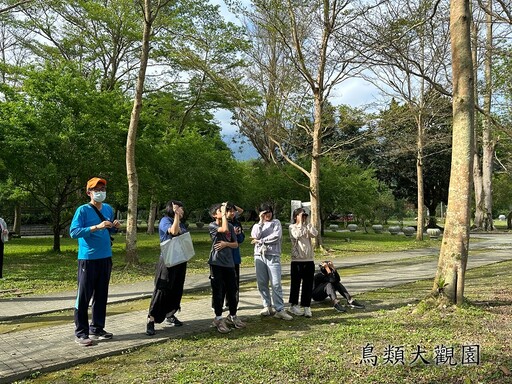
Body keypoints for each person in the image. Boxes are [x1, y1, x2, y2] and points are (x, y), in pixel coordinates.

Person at [69, 177, 120, 346]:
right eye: (96, 190)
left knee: (101, 295)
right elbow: (74, 232)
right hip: (88, 259)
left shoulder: (108, 208)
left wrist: (114, 226)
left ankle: (97, 327)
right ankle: (81, 332)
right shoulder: (82, 210)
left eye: (103, 189)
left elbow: (109, 229)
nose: (100, 192)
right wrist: (96, 227)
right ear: (89, 192)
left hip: (105, 257)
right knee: (83, 296)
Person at [146, 200, 189, 336]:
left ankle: (170, 314)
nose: (182, 211)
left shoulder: (182, 223)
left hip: (180, 260)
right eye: (180, 209)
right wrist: (176, 216)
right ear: (174, 209)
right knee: (162, 288)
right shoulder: (165, 220)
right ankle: (151, 319)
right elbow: (174, 232)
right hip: (168, 260)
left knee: (176, 287)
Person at [250, 203, 293, 320]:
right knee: (262, 283)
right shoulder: (256, 225)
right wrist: (260, 222)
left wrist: (261, 240)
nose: (267, 214)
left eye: (269, 211)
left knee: (276, 283)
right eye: (264, 212)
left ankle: (280, 309)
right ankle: (266, 305)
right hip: (259, 256)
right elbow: (254, 236)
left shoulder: (276, 223)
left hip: (273, 256)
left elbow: (276, 237)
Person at [208, 202, 246, 333]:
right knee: (218, 291)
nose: (223, 212)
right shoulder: (212, 225)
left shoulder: (230, 225)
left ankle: (233, 316)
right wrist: (224, 214)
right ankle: (218, 318)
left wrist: (226, 244)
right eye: (220, 211)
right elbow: (223, 229)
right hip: (216, 262)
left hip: (229, 263)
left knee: (232, 290)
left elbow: (235, 244)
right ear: (214, 215)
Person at [288, 207, 317, 318]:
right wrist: (299, 222)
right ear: (295, 216)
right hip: (297, 260)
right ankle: (293, 304)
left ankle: (306, 305)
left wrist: (308, 223)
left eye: (304, 215)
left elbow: (314, 234)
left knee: (308, 284)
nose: (303, 217)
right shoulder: (292, 227)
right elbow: (296, 235)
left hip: (309, 260)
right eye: (301, 215)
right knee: (295, 283)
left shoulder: (307, 226)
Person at [224, 203, 245, 310]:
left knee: (235, 282)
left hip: (235, 257)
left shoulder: (237, 222)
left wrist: (238, 234)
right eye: (230, 211)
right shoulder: (221, 222)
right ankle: (217, 304)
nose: (232, 213)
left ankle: (233, 303)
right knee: (222, 283)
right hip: (223, 258)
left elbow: (241, 239)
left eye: (233, 211)